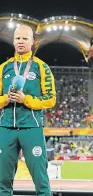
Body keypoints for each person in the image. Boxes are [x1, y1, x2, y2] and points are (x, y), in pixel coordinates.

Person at [0, 24, 57, 196]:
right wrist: (5, 99)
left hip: (31, 128)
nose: (21, 41)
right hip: (6, 127)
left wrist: (27, 100)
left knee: (41, 181)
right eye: (17, 38)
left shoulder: (42, 67)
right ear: (13, 41)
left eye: (25, 38)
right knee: (2, 181)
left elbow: (51, 99)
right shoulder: (4, 68)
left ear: (32, 42)